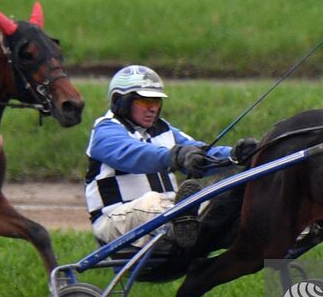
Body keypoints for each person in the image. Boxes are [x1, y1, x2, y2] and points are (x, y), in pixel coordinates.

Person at [85, 64, 257, 249]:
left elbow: (201, 153)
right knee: (152, 201)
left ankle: (276, 246)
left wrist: (235, 155)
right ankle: (183, 228)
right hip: (115, 221)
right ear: (121, 101)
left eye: (156, 102)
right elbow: (131, 154)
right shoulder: (105, 130)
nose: (152, 109)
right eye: (144, 102)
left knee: (225, 204)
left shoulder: (164, 129)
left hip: (169, 211)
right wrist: (176, 156)